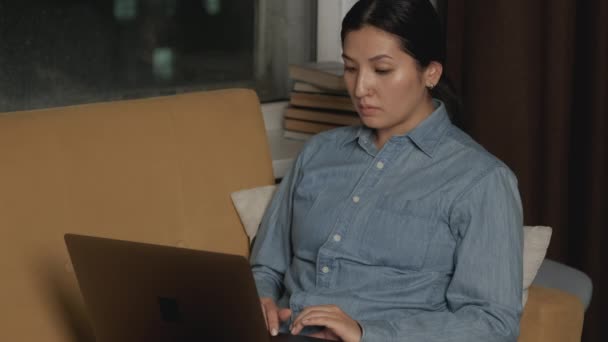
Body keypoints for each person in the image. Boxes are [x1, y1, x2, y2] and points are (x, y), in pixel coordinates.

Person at [250, 0, 523, 341]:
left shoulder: (481, 181)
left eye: (381, 70)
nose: (361, 88)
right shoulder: (319, 153)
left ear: (431, 73)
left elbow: (492, 325)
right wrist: (261, 300)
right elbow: (266, 267)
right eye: (350, 68)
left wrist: (366, 333)